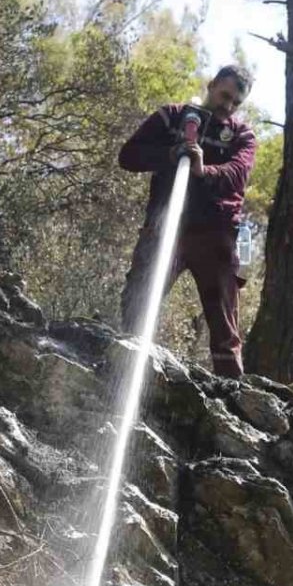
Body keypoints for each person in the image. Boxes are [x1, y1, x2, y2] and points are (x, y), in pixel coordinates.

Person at [118, 66, 256, 378]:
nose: (228, 106)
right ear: (211, 85)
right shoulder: (172, 117)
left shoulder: (241, 135)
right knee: (138, 301)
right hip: (164, 226)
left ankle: (232, 391)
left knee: (224, 321)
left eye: (236, 102)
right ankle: (125, 368)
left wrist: (203, 170)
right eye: (225, 96)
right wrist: (170, 154)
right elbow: (128, 156)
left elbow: (237, 175)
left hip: (216, 235)